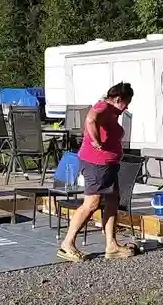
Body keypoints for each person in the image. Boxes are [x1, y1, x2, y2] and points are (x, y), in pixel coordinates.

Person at [57, 82, 137, 261]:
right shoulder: (103, 106)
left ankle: (112, 245)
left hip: (108, 165)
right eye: (126, 102)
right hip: (96, 164)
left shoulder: (110, 111)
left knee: (112, 201)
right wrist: (95, 141)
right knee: (92, 204)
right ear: (117, 99)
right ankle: (67, 244)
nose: (127, 107)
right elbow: (90, 119)